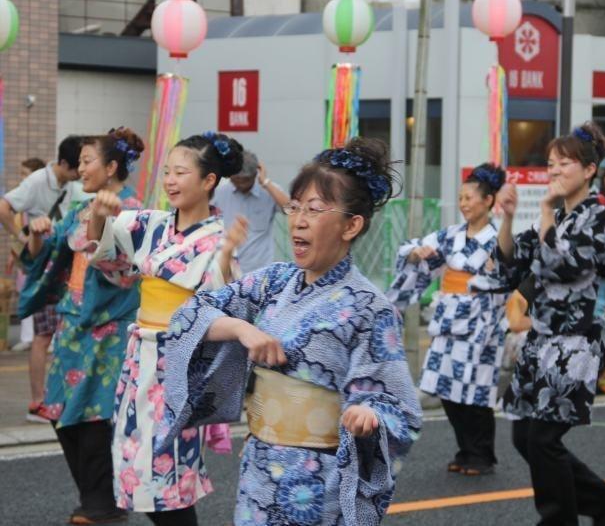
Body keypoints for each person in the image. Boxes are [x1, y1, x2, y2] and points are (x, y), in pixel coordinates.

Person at [161, 138, 421, 525]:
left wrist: (369, 414)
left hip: (318, 480)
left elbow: (396, 403)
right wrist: (241, 330)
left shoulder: (370, 306)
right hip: (259, 468)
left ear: (352, 225)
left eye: (314, 210)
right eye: (294, 207)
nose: (297, 220)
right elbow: (188, 315)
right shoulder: (273, 282)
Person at [87, 132, 247, 526]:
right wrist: (99, 214)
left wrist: (225, 258)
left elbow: (222, 303)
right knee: (138, 469)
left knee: (166, 475)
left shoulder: (216, 240)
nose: (171, 181)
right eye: (168, 172)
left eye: (182, 172)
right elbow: (102, 249)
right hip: (139, 359)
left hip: (178, 367)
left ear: (209, 181)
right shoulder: (150, 224)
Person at [495, 122, 605, 525]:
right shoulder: (555, 217)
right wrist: (507, 216)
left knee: (544, 438)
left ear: (588, 170)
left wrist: (545, 212)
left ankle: (559, 519)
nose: (553, 171)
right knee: (525, 435)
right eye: (551, 163)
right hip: (542, 336)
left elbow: (566, 264)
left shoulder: (599, 216)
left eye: (564, 163)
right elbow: (510, 260)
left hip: (576, 340)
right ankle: (602, 498)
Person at [20, 127, 144, 525]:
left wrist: (104, 223)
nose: (81, 168)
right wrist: (38, 235)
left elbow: (119, 272)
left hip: (107, 327)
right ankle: (96, 498)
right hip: (72, 324)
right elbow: (47, 253)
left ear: (110, 167)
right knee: (57, 410)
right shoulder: (80, 207)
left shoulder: (134, 211)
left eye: (88, 161)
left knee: (93, 415)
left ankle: (102, 504)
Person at [387, 163, 508, 476]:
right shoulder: (452, 235)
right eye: (461, 197)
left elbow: (507, 276)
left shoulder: (497, 238)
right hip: (449, 320)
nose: (464, 203)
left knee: (475, 391)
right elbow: (409, 248)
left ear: (488, 201)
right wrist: (418, 253)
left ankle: (481, 455)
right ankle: (465, 450)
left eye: (470, 197)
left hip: (481, 323)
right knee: (446, 389)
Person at [0, 137, 82, 421]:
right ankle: (37, 402)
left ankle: (57, 397)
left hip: (68, 267)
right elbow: (4, 207)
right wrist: (21, 236)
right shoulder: (37, 181)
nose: (80, 173)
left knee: (65, 333)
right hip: (46, 267)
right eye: (76, 168)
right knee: (43, 335)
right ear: (62, 164)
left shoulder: (73, 185)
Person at [212, 150, 289, 274]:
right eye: (236, 180)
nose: (240, 184)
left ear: (255, 174)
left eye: (245, 180)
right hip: (227, 270)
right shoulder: (219, 192)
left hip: (260, 273)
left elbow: (291, 210)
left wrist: (265, 182)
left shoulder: (269, 190)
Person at [8, 158, 46, 354]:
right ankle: (26, 337)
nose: (22, 178)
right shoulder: (21, 199)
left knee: (45, 298)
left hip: (42, 255)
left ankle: (47, 337)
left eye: (26, 174)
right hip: (25, 257)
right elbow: (16, 228)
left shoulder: (42, 197)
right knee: (25, 293)